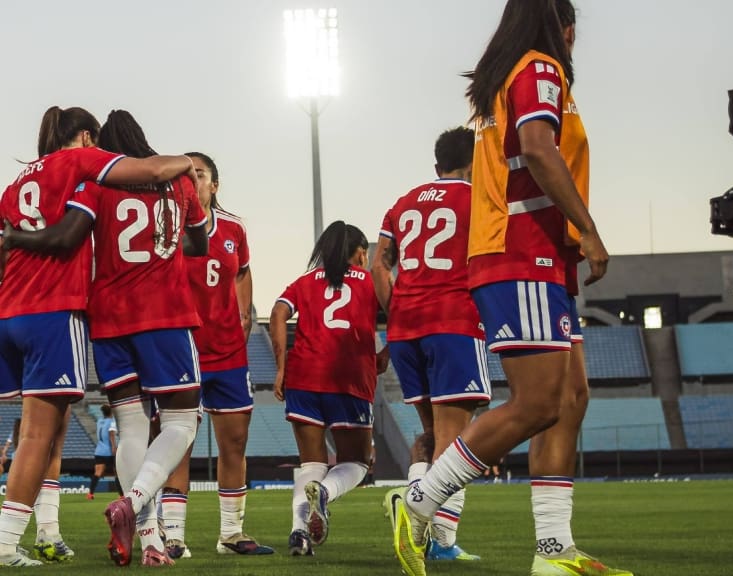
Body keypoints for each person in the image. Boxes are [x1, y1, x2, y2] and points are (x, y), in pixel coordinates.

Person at [383, 2, 631, 576]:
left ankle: (553, 550)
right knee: (538, 402)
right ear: (564, 27)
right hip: (524, 252)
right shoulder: (540, 68)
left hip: (531, 256)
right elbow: (540, 149)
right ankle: (418, 502)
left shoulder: (511, 74)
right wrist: (588, 230)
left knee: (570, 400)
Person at [3, 109, 208, 568]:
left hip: (106, 318)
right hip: (165, 313)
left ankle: (151, 539)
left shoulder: (94, 188)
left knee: (131, 426)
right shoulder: (172, 182)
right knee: (181, 423)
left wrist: (15, 237)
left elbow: (71, 233)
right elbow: (200, 245)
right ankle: (132, 505)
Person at [372, 126, 489, 562]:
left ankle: (424, 526)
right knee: (458, 439)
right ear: (475, 163)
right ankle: (437, 537)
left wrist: (397, 309)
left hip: (405, 329)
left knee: (430, 433)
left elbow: (379, 267)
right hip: (453, 321)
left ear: (436, 165)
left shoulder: (401, 205)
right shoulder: (478, 197)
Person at [158, 151, 273, 559]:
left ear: (214, 185)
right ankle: (173, 536)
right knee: (178, 444)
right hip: (182, 351)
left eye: (199, 173)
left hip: (227, 352)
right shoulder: (165, 226)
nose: (191, 180)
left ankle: (231, 533)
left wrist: (246, 314)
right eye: (184, 174)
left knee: (235, 442)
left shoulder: (234, 228)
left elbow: (242, 271)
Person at [270, 221, 386, 557]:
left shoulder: (305, 282)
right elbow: (401, 311)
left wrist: (280, 368)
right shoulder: (369, 282)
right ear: (361, 253)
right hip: (350, 377)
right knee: (359, 462)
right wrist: (387, 353)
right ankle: (324, 493)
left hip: (304, 377)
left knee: (310, 464)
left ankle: (298, 532)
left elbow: (278, 313)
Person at [88, 404, 121, 499]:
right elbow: (111, 433)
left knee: (98, 472)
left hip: (99, 451)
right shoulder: (112, 421)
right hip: (109, 451)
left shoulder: (99, 421)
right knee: (117, 473)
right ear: (111, 412)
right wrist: (114, 447)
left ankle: (90, 493)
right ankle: (121, 495)